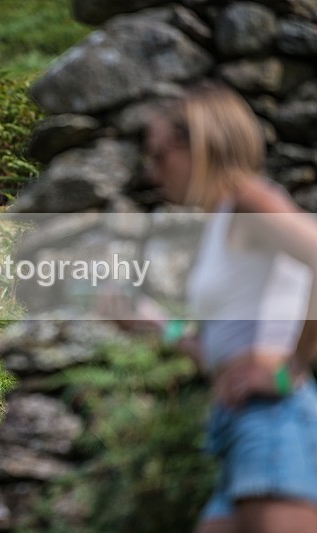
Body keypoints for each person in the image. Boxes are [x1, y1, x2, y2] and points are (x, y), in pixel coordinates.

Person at [134, 81, 317, 532]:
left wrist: (290, 368)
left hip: (271, 421)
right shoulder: (220, 220)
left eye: (161, 156)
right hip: (238, 429)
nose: (153, 174)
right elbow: (221, 350)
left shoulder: (247, 200)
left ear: (201, 145)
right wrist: (158, 327)